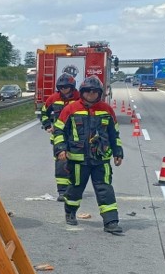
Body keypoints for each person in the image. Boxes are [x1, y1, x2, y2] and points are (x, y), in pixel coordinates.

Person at [52, 76, 124, 235]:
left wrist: (118, 151)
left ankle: (111, 221)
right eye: (88, 91)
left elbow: (114, 134)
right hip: (78, 160)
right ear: (82, 92)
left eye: (94, 92)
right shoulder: (71, 109)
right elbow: (59, 130)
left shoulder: (106, 110)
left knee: (105, 188)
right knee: (75, 188)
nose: (91, 94)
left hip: (101, 159)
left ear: (100, 93)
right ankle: (70, 211)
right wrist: (60, 149)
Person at [39, 73, 80, 201]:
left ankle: (73, 187)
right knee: (61, 163)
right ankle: (62, 191)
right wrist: (47, 125)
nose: (64, 90)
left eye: (66, 87)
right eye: (61, 87)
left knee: (75, 164)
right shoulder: (53, 98)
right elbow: (44, 112)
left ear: (72, 87)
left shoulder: (80, 98)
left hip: (76, 137)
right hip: (58, 136)